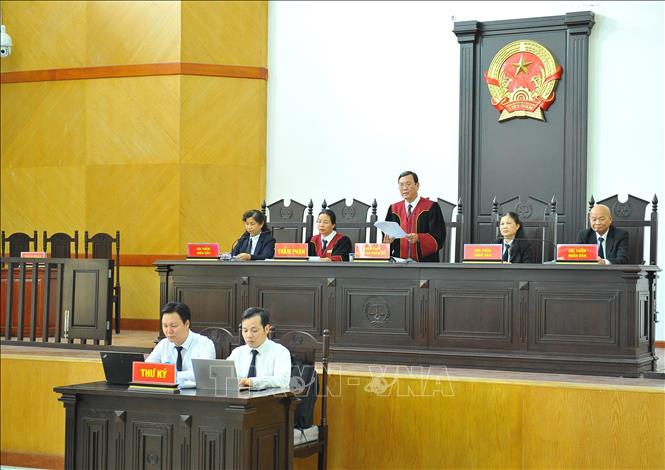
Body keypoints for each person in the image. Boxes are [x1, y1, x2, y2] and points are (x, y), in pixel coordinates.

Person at [383, 170, 446, 262]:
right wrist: (388, 242)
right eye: (401, 185)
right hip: (399, 263)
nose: (404, 188)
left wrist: (419, 238)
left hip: (425, 263)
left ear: (417, 185)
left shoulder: (431, 207)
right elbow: (387, 237)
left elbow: (438, 237)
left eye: (408, 184)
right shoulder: (393, 209)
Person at [146, 302, 216, 383]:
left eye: (173, 326)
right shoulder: (163, 344)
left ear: (187, 324)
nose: (169, 331)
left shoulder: (205, 344)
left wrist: (168, 374)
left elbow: (202, 374)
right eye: (165, 326)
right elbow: (146, 369)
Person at [227, 307, 292, 389]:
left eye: (254, 330)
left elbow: (282, 381)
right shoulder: (237, 352)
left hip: (269, 396)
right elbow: (223, 374)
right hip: (239, 396)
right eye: (245, 330)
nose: (249, 335)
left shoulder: (280, 352)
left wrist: (252, 382)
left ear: (267, 329)